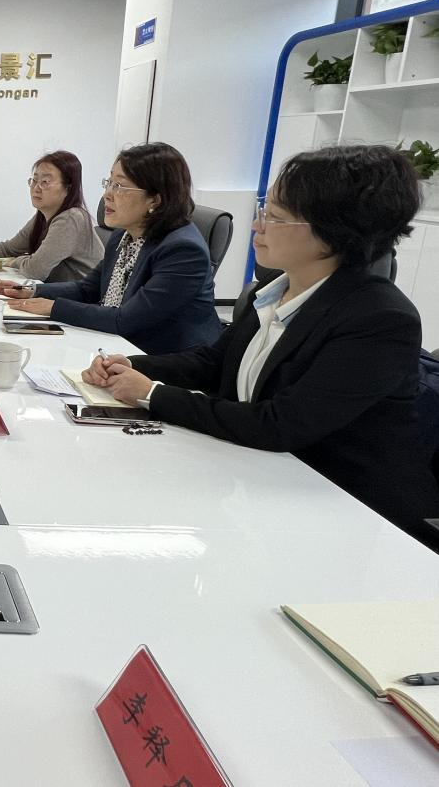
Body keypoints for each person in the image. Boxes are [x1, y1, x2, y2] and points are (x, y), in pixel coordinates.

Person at [81, 145, 438, 547]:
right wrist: (131, 365)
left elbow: (279, 424)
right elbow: (213, 363)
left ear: (333, 231)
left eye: (275, 217)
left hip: (342, 516)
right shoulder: (269, 292)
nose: (257, 225)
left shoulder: (379, 319)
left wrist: (152, 394)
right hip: (259, 481)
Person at [0, 142, 220, 354]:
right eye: (109, 183)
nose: (107, 195)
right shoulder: (123, 235)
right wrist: (32, 291)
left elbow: (125, 320)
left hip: (165, 361)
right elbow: (88, 289)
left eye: (120, 186)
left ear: (155, 200)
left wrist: (53, 308)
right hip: (117, 346)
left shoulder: (182, 251)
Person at [0, 150, 103, 282]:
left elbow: (35, 270)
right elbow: (9, 248)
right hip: (57, 294)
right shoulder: (44, 215)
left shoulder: (71, 219)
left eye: (45, 182)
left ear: (68, 188)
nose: (36, 187)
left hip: (81, 301)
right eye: (34, 180)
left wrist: (15, 261)